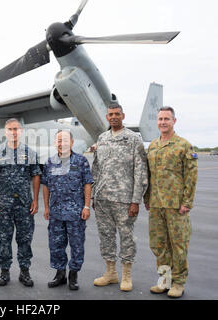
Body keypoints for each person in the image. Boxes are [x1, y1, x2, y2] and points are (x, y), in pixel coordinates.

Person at [91, 103, 148, 292]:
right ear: (107, 117)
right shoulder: (102, 138)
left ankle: (127, 275)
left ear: (123, 115)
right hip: (102, 199)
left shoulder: (133, 139)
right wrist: (93, 195)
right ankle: (110, 273)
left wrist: (135, 200)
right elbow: (96, 168)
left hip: (124, 199)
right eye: (110, 114)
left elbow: (140, 171)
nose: (114, 117)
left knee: (126, 237)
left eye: (117, 114)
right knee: (106, 236)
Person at [144, 106, 198, 298]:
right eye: (160, 119)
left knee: (178, 245)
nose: (163, 122)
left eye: (167, 119)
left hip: (176, 206)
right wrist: (147, 198)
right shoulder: (153, 146)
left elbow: (191, 177)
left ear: (174, 121)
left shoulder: (184, 145)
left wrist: (187, 202)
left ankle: (178, 283)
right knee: (159, 245)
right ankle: (164, 280)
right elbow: (149, 175)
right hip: (157, 205)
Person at [0, 118, 41, 287]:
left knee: (25, 239)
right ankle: (4, 272)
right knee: (4, 239)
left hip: (25, 204)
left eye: (16, 129)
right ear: (5, 132)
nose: (13, 132)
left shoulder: (30, 153)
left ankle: (24, 272)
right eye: (10, 129)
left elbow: (36, 176)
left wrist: (35, 200)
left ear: (21, 131)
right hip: (3, 204)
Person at [41, 130, 93, 290]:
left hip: (76, 213)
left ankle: (73, 275)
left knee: (77, 245)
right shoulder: (50, 162)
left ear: (71, 142)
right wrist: (47, 207)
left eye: (64, 140)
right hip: (56, 213)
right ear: (55, 143)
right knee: (56, 245)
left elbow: (87, 184)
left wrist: (86, 206)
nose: (61, 143)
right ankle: (60, 274)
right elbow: (46, 186)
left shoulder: (81, 161)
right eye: (58, 140)